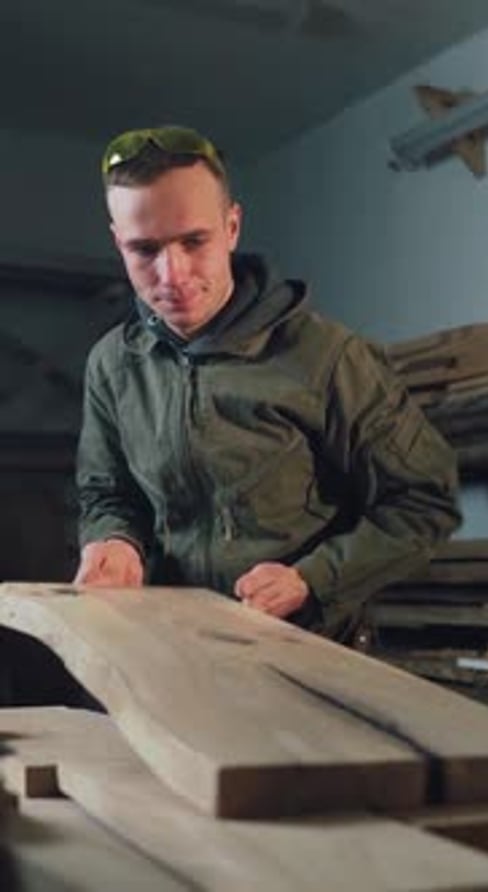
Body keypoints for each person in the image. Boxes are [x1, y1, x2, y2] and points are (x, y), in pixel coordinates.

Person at [74, 124, 461, 638]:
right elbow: (108, 495)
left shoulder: (328, 357)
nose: (172, 275)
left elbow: (424, 500)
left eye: (194, 241)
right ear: (117, 241)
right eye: (144, 250)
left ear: (232, 227)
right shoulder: (111, 365)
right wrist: (115, 541)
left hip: (307, 651)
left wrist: (311, 580)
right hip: (175, 648)